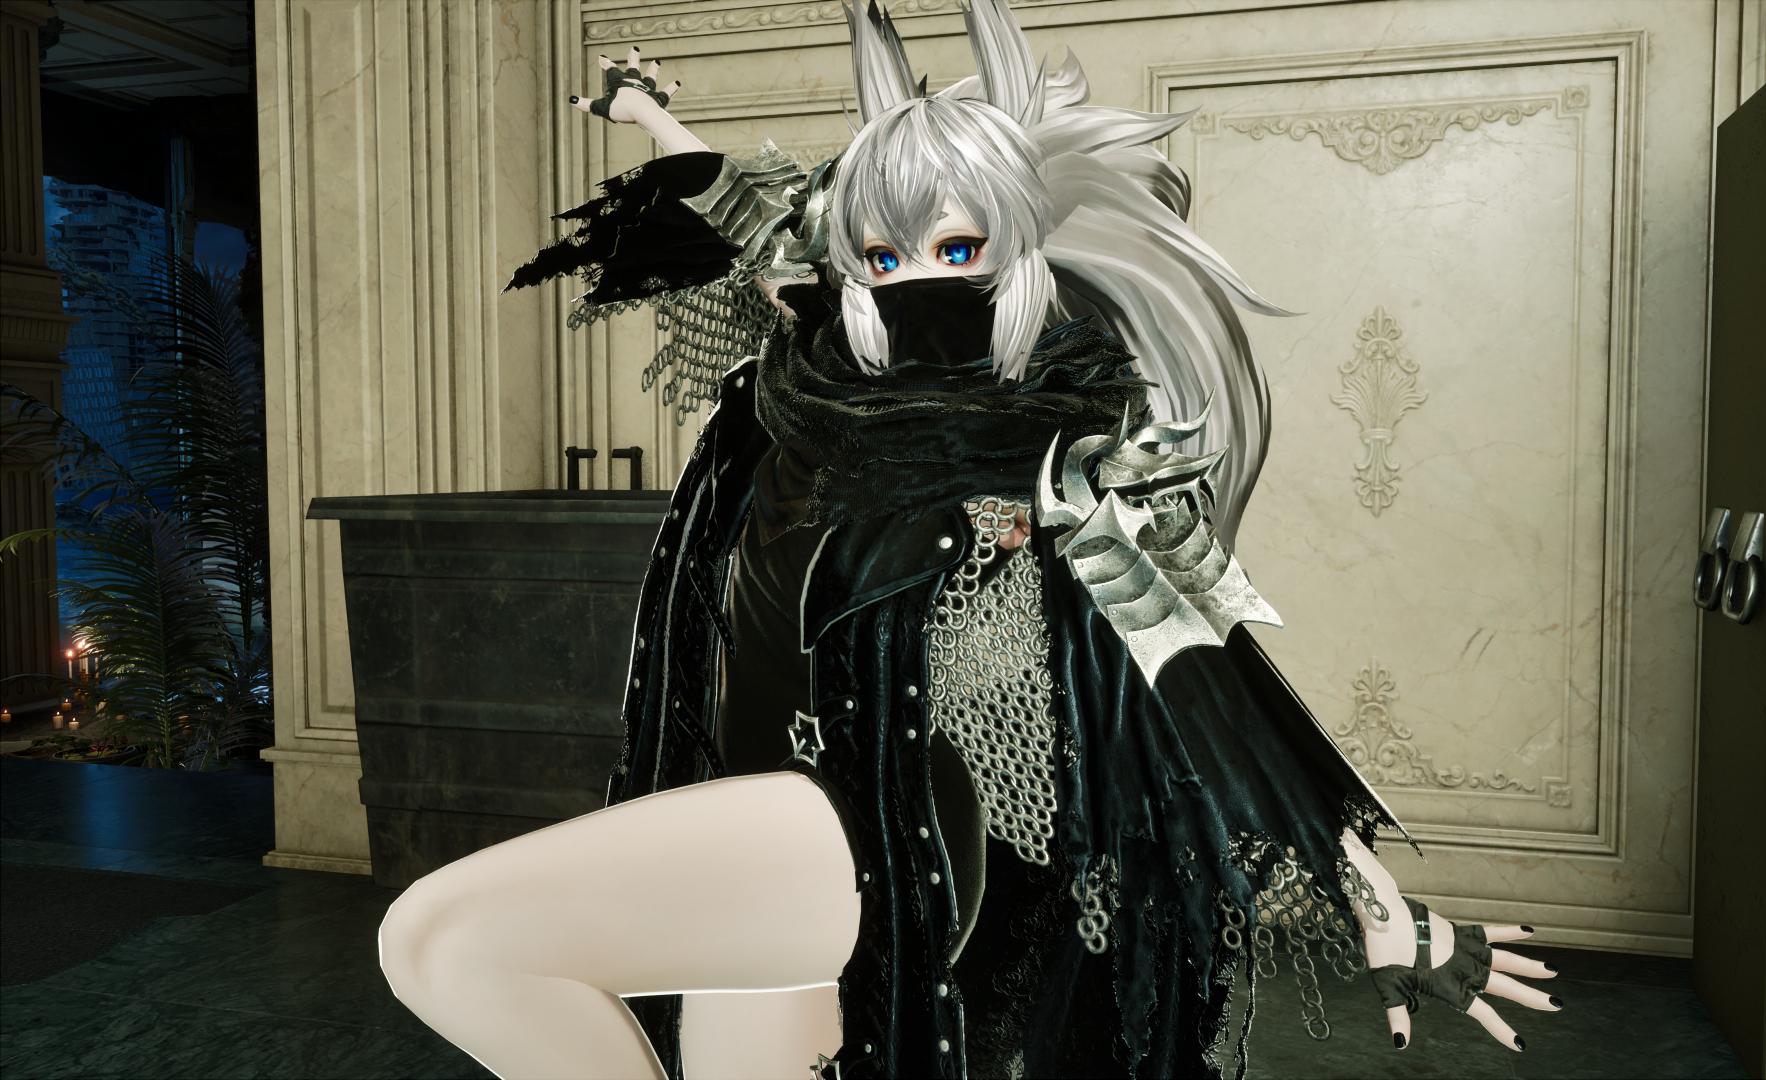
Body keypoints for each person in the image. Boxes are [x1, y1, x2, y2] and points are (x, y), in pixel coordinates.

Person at [377, 3, 1565, 1077]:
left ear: (1018, 250)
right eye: (883, 257)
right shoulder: (804, 383)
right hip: (768, 812)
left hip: (879, 824)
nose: (915, 283)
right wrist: (650, 116)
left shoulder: (1060, 454)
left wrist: (1376, 903)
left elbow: (1199, 671)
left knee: (440, 940)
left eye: (955, 250)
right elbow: (750, 222)